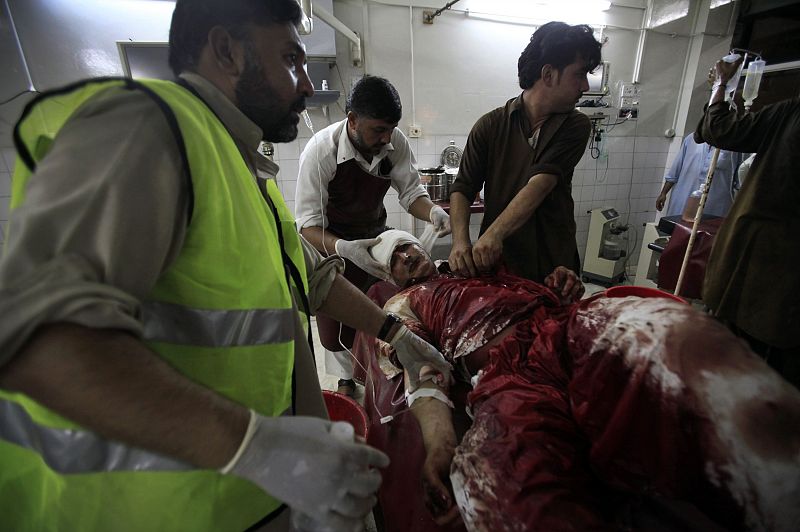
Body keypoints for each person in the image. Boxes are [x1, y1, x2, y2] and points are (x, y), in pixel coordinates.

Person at [0, 1, 452, 531]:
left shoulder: (241, 166)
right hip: (151, 508)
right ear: (225, 50)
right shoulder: (146, 128)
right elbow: (40, 340)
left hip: (234, 496)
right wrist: (255, 446)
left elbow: (312, 279)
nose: (307, 84)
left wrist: (395, 331)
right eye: (290, 58)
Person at [370, 231, 800, 531]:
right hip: (507, 379)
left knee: (675, 334)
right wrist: (441, 442)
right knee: (490, 488)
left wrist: (559, 286)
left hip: (566, 327)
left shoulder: (469, 263)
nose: (407, 257)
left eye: (407, 247)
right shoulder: (401, 304)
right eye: (396, 259)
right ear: (394, 276)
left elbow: (531, 289)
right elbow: (420, 367)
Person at [295, 75, 450, 396]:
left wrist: (432, 211)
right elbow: (307, 227)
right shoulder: (321, 153)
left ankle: (379, 372)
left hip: (374, 237)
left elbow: (411, 194)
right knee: (335, 324)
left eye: (390, 129)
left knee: (379, 308)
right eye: (378, 130)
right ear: (352, 120)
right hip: (331, 243)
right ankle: (345, 380)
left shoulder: (394, 144)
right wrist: (344, 248)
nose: (386, 138)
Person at [448, 22, 601, 281]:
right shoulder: (490, 125)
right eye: (580, 74)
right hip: (501, 265)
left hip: (555, 266)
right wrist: (460, 242)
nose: (585, 86)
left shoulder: (575, 125)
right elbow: (463, 188)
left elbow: (540, 184)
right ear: (549, 74)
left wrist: (493, 234)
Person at [695, 55, 800, 388]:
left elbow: (719, 128)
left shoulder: (793, 113)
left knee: (737, 356)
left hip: (759, 259)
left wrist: (721, 85)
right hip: (777, 287)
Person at [655, 133, 745, 218]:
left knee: (708, 231)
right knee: (677, 230)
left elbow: (741, 180)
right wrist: (663, 193)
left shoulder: (735, 144)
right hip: (683, 199)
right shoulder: (692, 139)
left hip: (715, 206)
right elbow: (676, 169)